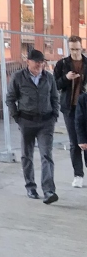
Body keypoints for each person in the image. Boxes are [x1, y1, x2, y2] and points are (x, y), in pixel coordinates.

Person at [6, 49, 59, 203]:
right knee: (26, 155)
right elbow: (10, 99)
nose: (39, 65)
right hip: (26, 121)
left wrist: (54, 116)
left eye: (42, 62)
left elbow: (55, 97)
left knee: (46, 155)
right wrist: (17, 117)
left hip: (46, 122)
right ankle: (30, 187)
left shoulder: (49, 78)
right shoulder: (18, 77)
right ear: (28, 62)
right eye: (36, 62)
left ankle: (49, 191)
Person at [55, 36, 85, 187]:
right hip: (70, 108)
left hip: (85, 108)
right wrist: (66, 78)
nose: (75, 52)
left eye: (77, 49)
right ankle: (78, 175)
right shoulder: (62, 64)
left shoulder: (86, 63)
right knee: (74, 142)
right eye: (72, 49)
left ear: (82, 48)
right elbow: (54, 85)